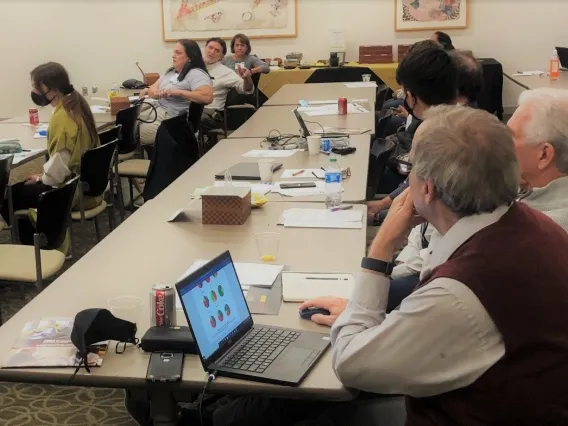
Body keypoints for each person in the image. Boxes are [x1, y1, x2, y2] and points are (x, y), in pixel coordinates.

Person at [331, 105, 568, 425]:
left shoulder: (463, 290)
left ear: (426, 189)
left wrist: (382, 246)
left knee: (298, 407)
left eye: (409, 168)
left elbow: (349, 362)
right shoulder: (529, 223)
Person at [0, 62, 100, 245]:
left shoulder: (62, 118)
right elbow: (63, 162)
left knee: (7, 196)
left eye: (37, 87)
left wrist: (41, 179)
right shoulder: (76, 103)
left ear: (52, 89)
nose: (34, 91)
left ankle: (38, 243)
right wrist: (43, 176)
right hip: (78, 180)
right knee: (22, 187)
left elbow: (59, 167)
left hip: (66, 190)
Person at [369, 42, 457, 218]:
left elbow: (421, 207)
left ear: (409, 97)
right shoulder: (466, 125)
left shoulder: (430, 135)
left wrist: (381, 214)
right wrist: (386, 202)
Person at [138, 39, 213, 147]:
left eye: (178, 53)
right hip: (157, 113)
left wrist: (179, 92)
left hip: (173, 122)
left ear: (190, 57)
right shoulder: (171, 72)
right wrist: (157, 92)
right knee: (126, 125)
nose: (173, 56)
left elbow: (207, 97)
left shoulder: (196, 74)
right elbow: (152, 89)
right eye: (174, 52)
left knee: (131, 133)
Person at [201, 37, 255, 133]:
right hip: (188, 108)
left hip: (210, 113)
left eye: (217, 51)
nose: (212, 52)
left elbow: (247, 89)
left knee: (186, 120)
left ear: (221, 57)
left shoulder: (226, 72)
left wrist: (247, 78)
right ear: (205, 48)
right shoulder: (192, 68)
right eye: (210, 48)